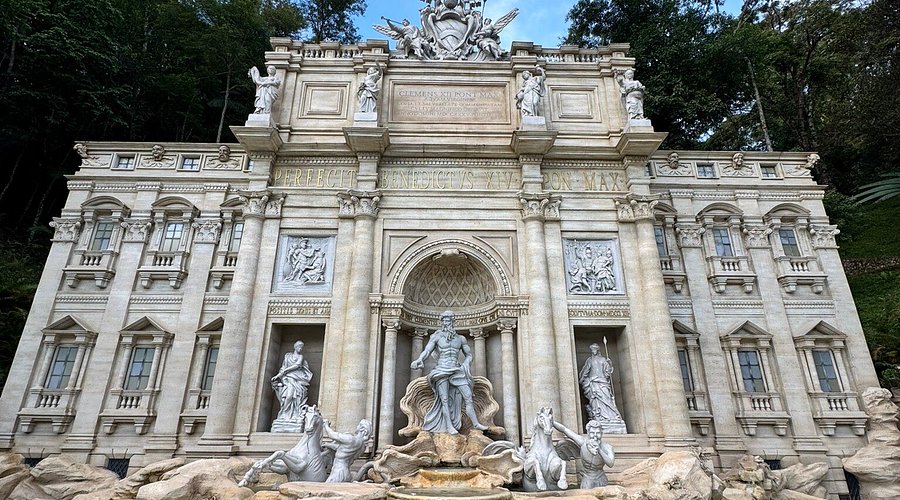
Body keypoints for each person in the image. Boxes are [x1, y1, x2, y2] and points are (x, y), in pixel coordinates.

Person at [410, 311, 488, 434]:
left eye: (449, 320)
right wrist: (420, 359)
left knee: (468, 397)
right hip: (441, 369)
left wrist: (466, 363)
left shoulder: (460, 339)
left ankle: (476, 423)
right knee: (444, 400)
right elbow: (427, 351)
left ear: (453, 322)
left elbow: (468, 355)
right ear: (442, 322)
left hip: (457, 370)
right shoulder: (436, 337)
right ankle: (449, 426)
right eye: (444, 321)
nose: (446, 323)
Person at [553, 419, 615, 488]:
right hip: (587, 478)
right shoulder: (582, 442)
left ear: (601, 433)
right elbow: (564, 430)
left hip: (600, 477)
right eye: (592, 433)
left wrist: (599, 450)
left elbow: (611, 464)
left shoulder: (607, 447)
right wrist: (551, 422)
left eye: (598, 433)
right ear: (588, 433)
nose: (595, 436)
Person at [271, 341, 313, 423]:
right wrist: (277, 376)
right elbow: (283, 368)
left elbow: (297, 365)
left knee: (294, 397)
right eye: (299, 346)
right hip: (287, 379)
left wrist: (286, 371)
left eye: (301, 347)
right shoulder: (287, 356)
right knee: (287, 396)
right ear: (295, 347)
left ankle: (294, 415)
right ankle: (284, 414)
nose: (300, 348)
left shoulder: (301, 356)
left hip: (297, 378)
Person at [579, 343, 622, 422]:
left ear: (597, 350)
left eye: (595, 349)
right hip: (594, 382)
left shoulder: (603, 360)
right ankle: (600, 417)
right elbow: (586, 370)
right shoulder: (590, 360)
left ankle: (611, 417)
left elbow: (607, 372)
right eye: (592, 350)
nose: (593, 351)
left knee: (607, 398)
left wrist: (610, 364)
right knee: (596, 400)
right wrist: (582, 379)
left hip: (603, 382)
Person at [323, 418, 372, 482]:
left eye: (359, 425)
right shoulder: (361, 445)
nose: (357, 426)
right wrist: (328, 445)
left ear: (363, 430)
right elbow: (342, 449)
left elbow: (332, 435)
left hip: (338, 472)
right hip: (346, 472)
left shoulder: (351, 439)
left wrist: (326, 425)